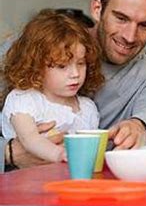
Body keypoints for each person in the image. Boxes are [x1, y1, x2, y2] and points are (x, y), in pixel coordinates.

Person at [1, 0, 146, 171]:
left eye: (144, 25)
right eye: (121, 18)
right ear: (97, 8)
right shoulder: (31, 46)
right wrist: (9, 153)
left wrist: (138, 126)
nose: (130, 36)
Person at [1, 10, 104, 162]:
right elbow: (30, 139)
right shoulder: (24, 100)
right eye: (62, 66)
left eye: (81, 63)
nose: (75, 73)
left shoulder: (87, 108)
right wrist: (59, 155)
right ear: (36, 66)